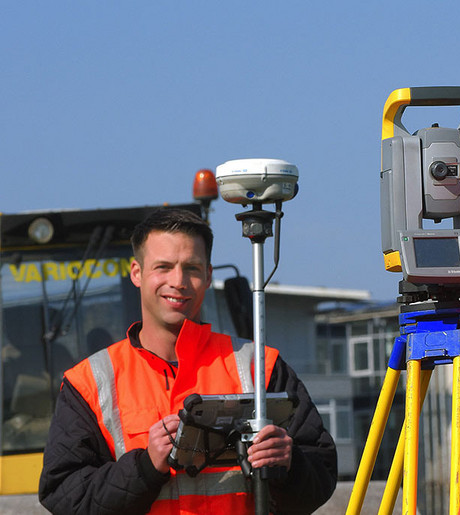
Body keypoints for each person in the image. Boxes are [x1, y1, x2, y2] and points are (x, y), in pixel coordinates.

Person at [39, 208, 337, 514]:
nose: (178, 281)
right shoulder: (88, 383)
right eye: (163, 267)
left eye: (192, 268)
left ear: (208, 276)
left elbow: (321, 474)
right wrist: (144, 467)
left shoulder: (261, 366)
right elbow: (63, 495)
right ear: (137, 273)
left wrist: (290, 463)